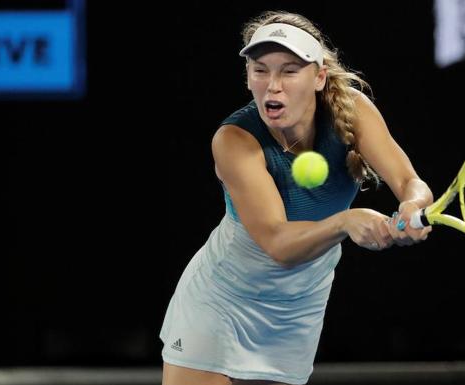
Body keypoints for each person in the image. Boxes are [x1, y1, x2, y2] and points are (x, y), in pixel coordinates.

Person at [161, 10, 433, 385]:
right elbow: (278, 242)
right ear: (248, 77)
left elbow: (409, 181)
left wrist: (413, 205)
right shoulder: (235, 141)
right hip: (221, 301)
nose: (273, 85)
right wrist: (344, 222)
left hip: (298, 306)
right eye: (260, 70)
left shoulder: (351, 111)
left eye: (289, 71)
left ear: (319, 76)